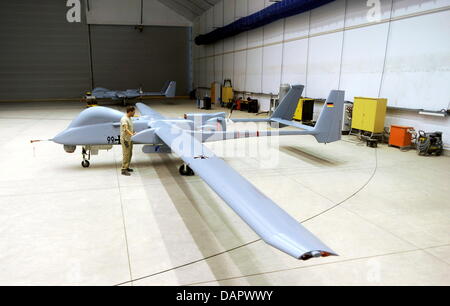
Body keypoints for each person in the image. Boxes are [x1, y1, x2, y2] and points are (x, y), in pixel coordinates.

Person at [120, 106, 136, 176]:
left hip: (129, 139)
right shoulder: (124, 119)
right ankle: (123, 169)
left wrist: (133, 133)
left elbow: (130, 128)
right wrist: (132, 134)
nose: (134, 113)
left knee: (129, 153)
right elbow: (126, 129)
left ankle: (127, 167)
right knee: (126, 154)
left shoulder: (129, 118)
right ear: (130, 111)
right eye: (133, 112)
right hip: (125, 140)